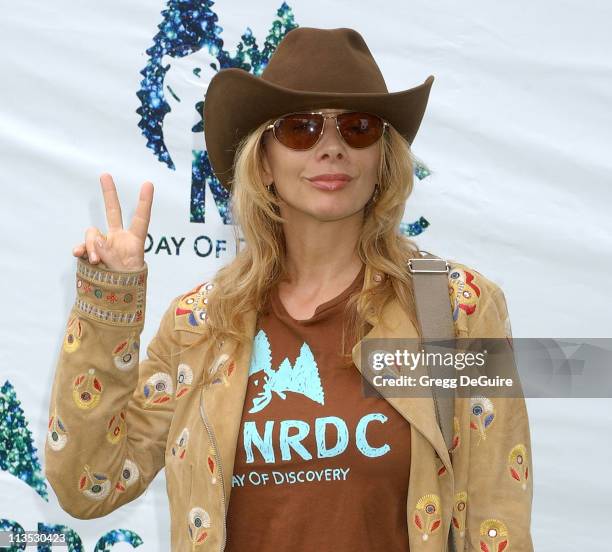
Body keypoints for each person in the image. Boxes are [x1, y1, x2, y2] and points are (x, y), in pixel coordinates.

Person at [45, 27, 534, 551]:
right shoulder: (201, 325)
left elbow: (494, 519)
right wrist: (108, 300)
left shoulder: (454, 308)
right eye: (301, 129)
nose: (331, 148)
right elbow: (87, 485)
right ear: (264, 162)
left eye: (358, 127)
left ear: (383, 160)